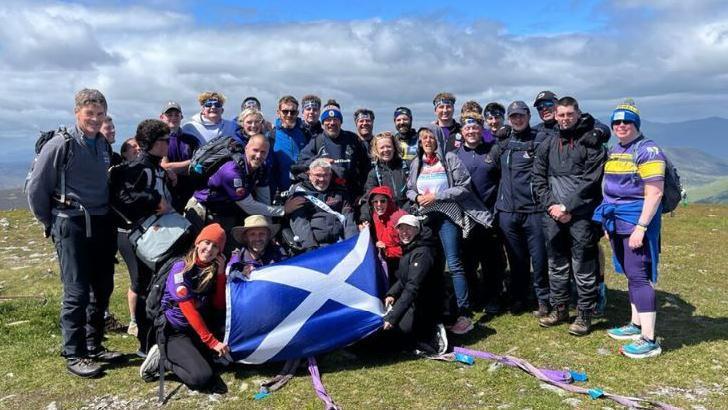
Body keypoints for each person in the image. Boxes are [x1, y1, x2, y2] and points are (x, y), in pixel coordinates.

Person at [27, 88, 123, 378]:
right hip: (71, 222)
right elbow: (35, 188)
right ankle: (74, 352)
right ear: (77, 113)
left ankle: (94, 344)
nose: (95, 119)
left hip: (101, 221)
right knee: (77, 290)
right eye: (89, 113)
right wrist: (52, 223)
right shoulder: (61, 144)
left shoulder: (103, 145)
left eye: (100, 114)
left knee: (103, 285)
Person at [593, 99, 665, 358]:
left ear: (636, 123)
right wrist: (607, 223)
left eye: (626, 121)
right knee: (629, 274)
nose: (621, 125)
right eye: (616, 122)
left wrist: (641, 227)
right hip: (616, 221)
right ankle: (635, 324)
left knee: (639, 275)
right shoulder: (616, 149)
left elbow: (655, 192)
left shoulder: (648, 150)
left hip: (636, 221)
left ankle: (649, 339)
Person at [532, 96, 609, 336]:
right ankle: (560, 309)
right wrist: (553, 206)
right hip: (552, 214)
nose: (565, 119)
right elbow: (538, 179)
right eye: (561, 115)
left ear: (577, 115)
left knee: (583, 266)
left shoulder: (591, 143)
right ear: (555, 116)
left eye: (569, 115)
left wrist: (567, 207)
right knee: (556, 264)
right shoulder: (548, 143)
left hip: (582, 215)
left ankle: (585, 314)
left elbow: (591, 181)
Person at [406, 127, 494, 334]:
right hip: (426, 218)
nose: (427, 141)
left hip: (447, 217)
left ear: (438, 139)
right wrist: (417, 198)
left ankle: (464, 311)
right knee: (432, 264)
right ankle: (436, 308)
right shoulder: (417, 162)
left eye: (430, 137)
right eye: (423, 138)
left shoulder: (450, 159)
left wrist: (438, 196)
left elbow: (464, 186)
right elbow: (409, 188)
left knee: (454, 264)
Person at [110, 119, 175, 357]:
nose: (168, 144)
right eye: (164, 140)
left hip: (150, 235)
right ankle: (145, 344)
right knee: (144, 285)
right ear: (150, 142)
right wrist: (154, 202)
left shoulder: (155, 167)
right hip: (134, 236)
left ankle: (153, 338)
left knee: (153, 283)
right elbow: (122, 199)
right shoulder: (138, 167)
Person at [140, 223, 229, 393]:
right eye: (207, 242)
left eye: (215, 246)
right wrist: (211, 341)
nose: (209, 249)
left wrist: (220, 275)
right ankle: (162, 359)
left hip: (194, 331)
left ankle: (185, 354)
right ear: (197, 242)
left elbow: (218, 305)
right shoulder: (180, 268)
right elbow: (188, 308)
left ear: (220, 252)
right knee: (201, 378)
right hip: (173, 331)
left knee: (219, 364)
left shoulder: (212, 269)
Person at [185, 134, 304, 251]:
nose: (258, 156)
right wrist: (283, 210)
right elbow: (250, 206)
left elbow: (264, 198)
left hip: (226, 210)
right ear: (246, 148)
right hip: (203, 210)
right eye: (255, 150)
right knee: (198, 249)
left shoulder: (262, 167)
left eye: (263, 152)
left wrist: (267, 226)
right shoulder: (231, 172)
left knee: (226, 250)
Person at [491, 101, 551, 315]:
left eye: (521, 115)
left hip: (534, 211)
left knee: (540, 258)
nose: (518, 119)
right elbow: (489, 164)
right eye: (513, 116)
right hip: (508, 212)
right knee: (517, 260)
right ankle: (519, 297)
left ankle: (544, 299)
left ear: (528, 116)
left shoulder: (541, 138)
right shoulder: (503, 142)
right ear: (509, 118)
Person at [454, 112, 507, 313]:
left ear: (481, 130)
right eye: (467, 128)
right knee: (468, 260)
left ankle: (493, 297)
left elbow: (503, 180)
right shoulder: (455, 155)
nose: (471, 131)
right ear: (462, 132)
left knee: (491, 260)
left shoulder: (492, 151)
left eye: (475, 128)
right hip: (465, 217)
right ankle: (474, 295)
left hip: (489, 214)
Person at [383, 214, 448, 356]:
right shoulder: (410, 248)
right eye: (401, 229)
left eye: (409, 229)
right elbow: (403, 279)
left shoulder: (422, 252)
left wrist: (392, 318)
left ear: (417, 230)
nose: (405, 233)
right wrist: (391, 293)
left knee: (396, 335)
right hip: (414, 302)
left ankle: (433, 333)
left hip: (425, 304)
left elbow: (413, 287)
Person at [294, 103, 370, 197]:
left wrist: (364, 193)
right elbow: (300, 165)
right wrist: (318, 160)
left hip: (353, 194)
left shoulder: (353, 139)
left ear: (340, 122)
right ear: (322, 123)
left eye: (335, 119)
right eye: (328, 120)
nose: (332, 123)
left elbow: (366, 167)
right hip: (327, 196)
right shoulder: (316, 141)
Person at [288, 158, 358, 250]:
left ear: (330, 175)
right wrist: (310, 247)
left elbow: (348, 218)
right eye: (318, 175)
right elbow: (300, 223)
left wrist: (352, 244)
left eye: (325, 175)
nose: (322, 179)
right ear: (309, 175)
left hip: (341, 243)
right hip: (316, 247)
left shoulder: (340, 191)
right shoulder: (300, 193)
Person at [158, 101, 201, 212]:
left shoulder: (192, 140)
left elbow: (198, 166)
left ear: (181, 117)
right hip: (167, 193)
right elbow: (164, 166)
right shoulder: (158, 139)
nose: (173, 117)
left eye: (176, 115)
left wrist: (177, 168)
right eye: (169, 115)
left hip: (191, 193)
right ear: (162, 117)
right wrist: (190, 162)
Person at [362, 131, 410, 215]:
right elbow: (368, 198)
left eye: (388, 146)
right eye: (382, 147)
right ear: (376, 150)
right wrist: (364, 218)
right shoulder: (374, 174)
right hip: (386, 216)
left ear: (394, 147)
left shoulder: (406, 167)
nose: (386, 150)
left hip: (408, 214)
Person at [270, 96, 310, 196]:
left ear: (297, 113)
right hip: (279, 191)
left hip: (303, 189)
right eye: (285, 111)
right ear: (278, 112)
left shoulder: (306, 133)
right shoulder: (271, 136)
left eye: (292, 112)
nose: (289, 115)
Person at [362, 185, 407, 274]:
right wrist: (364, 221)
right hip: (384, 261)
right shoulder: (375, 215)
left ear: (389, 202)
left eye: (382, 201)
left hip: (401, 263)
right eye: (375, 201)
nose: (379, 204)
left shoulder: (400, 218)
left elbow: (408, 248)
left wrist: (386, 250)